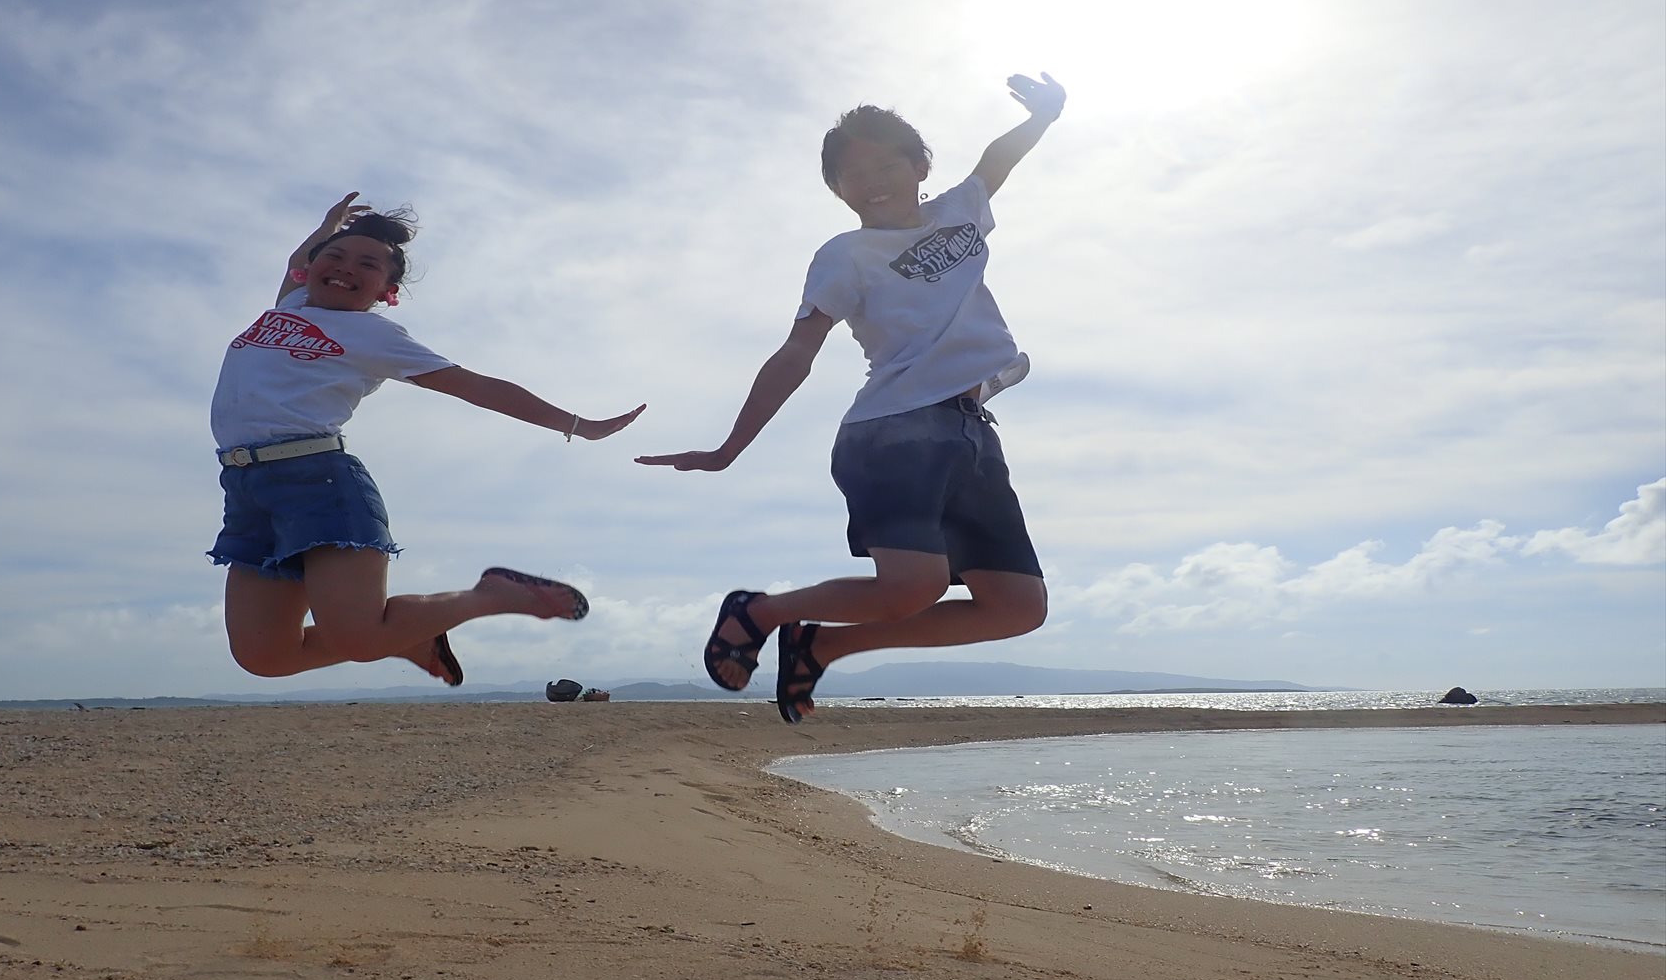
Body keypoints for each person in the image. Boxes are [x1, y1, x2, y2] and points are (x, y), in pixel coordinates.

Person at [637, 74, 1065, 722]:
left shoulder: (959, 211)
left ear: (921, 165)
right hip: (894, 434)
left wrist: (1046, 117)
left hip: (973, 435)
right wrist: (729, 447)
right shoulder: (846, 256)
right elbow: (796, 351)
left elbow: (996, 161)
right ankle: (761, 611)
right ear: (836, 189)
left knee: (1017, 607)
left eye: (888, 162)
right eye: (851, 173)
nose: (872, 180)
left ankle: (823, 642)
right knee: (913, 586)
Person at [210, 192, 645, 684]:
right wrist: (329, 225)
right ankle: (410, 634)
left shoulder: (375, 335)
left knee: (360, 638)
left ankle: (489, 596)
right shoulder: (289, 305)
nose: (345, 268)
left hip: (316, 483)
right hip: (245, 488)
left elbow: (475, 386)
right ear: (309, 269)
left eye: (367, 265)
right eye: (335, 257)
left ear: (386, 291)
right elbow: (299, 259)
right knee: (264, 656)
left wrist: (577, 424)